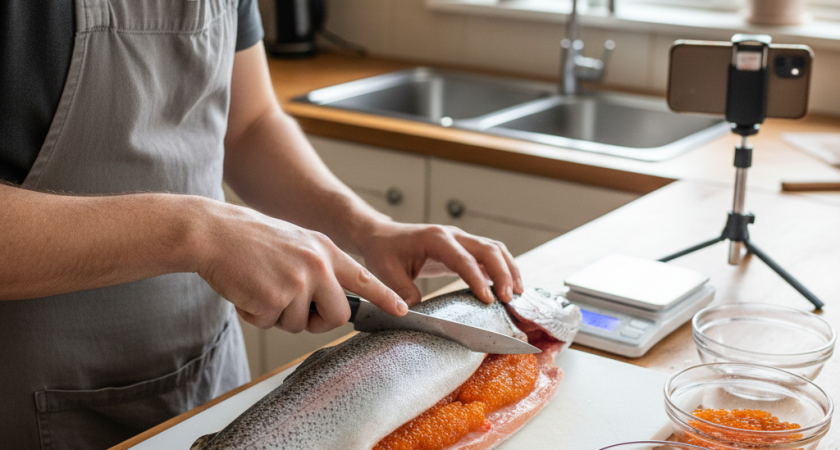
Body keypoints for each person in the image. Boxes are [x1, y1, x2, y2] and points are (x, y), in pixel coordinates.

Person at [0, 1, 523, 448]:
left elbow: (249, 124)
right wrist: (197, 231)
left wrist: (368, 228)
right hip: (30, 397)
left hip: (206, 372)